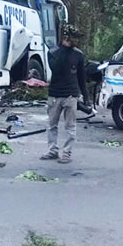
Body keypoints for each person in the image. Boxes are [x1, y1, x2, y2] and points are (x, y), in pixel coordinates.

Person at [40, 23, 89, 164]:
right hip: (55, 95)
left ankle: (67, 152)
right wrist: (64, 49)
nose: (77, 41)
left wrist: (86, 97)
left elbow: (81, 77)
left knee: (70, 126)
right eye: (74, 38)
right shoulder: (53, 52)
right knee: (52, 125)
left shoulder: (78, 55)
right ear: (66, 38)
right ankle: (52, 151)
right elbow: (56, 68)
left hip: (71, 96)